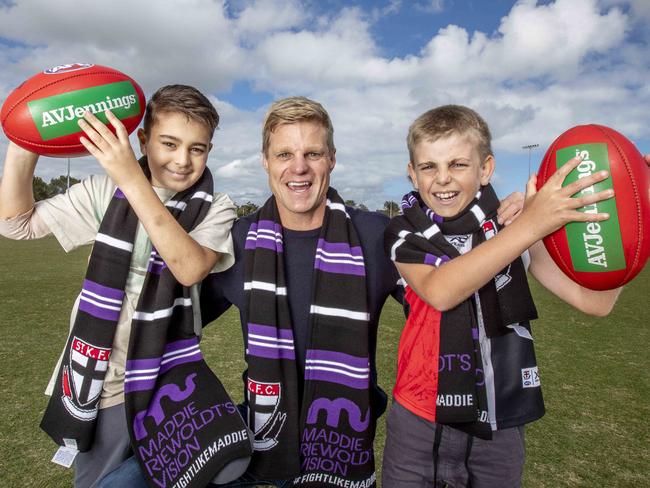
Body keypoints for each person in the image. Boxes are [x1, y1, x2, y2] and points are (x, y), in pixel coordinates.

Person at [0, 85, 252, 488]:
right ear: (143, 139)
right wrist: (24, 138)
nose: (182, 160)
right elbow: (15, 223)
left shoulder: (216, 206)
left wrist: (132, 179)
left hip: (172, 379)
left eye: (197, 148)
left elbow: (188, 267)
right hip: (105, 382)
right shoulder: (105, 191)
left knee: (208, 472)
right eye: (169, 143)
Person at [381, 105, 625, 488]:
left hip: (502, 425)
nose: (442, 179)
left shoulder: (516, 227)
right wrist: (530, 225)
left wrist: (628, 212)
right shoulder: (402, 231)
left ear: (486, 168)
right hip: (418, 422)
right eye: (428, 166)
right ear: (413, 174)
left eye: (459, 164)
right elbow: (441, 291)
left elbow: (594, 302)